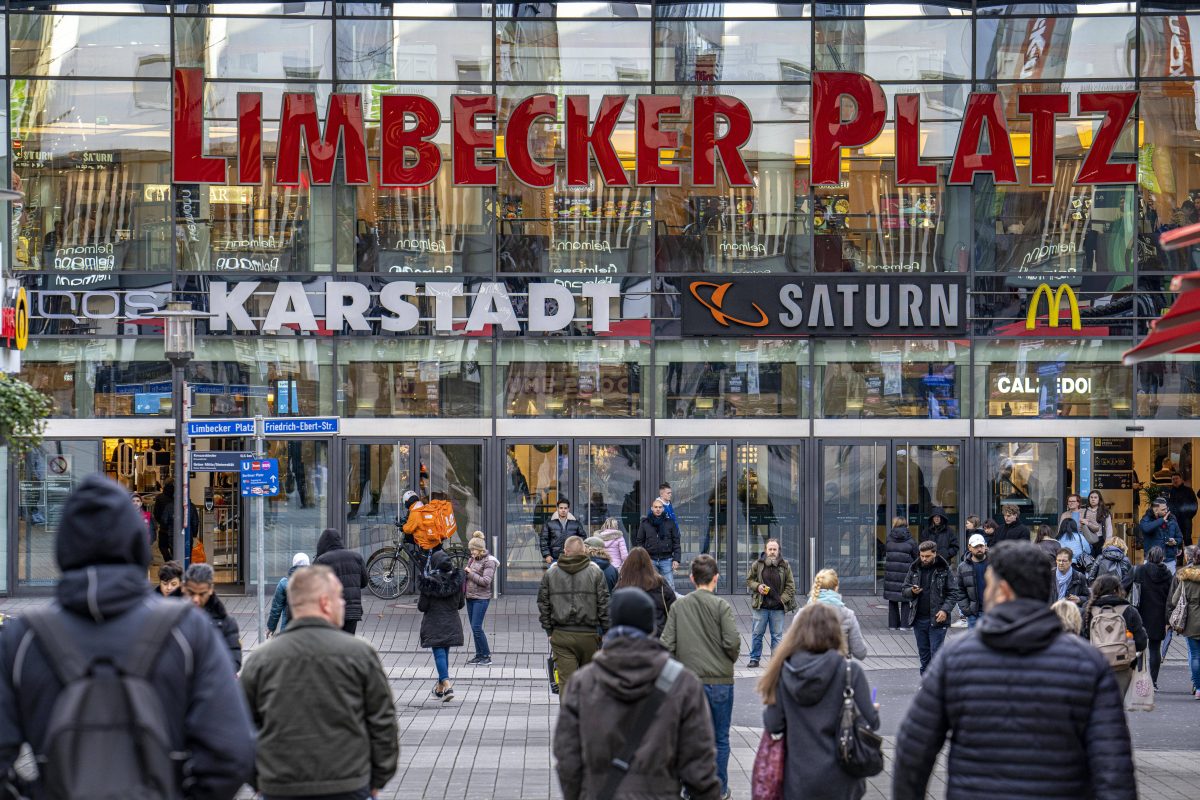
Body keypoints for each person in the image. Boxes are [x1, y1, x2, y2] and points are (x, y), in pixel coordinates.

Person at [0, 474, 255, 800]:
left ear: (63, 548)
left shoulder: (22, 640)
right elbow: (232, 752)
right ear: (137, 543)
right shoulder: (188, 631)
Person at [893, 540, 1136, 800]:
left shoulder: (957, 659)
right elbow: (1114, 768)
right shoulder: (1088, 664)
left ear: (1003, 591)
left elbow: (913, 752)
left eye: (989, 584)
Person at [241, 564, 399, 800]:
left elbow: (240, 729)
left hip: (281, 788)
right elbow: (382, 721)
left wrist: (260, 781)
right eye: (339, 598)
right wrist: (376, 779)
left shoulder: (261, 660)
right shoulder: (359, 654)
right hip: (349, 785)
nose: (343, 604)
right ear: (325, 603)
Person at [553, 588, 720, 800]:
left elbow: (567, 756)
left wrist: (581, 794)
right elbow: (699, 763)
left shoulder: (583, 682)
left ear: (611, 624)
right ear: (651, 626)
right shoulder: (683, 683)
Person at [758, 604, 880, 800]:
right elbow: (871, 723)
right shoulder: (850, 672)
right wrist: (871, 710)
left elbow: (773, 724)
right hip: (843, 779)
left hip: (797, 780)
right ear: (835, 632)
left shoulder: (784, 671)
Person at [661, 555, 739, 800]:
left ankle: (689, 788)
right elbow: (733, 643)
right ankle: (719, 787)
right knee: (720, 737)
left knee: (689, 738)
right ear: (716, 578)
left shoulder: (679, 607)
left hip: (688, 684)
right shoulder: (722, 607)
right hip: (720, 682)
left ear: (692, 578)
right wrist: (727, 660)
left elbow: (666, 646)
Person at [537, 536, 610, 699]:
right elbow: (604, 604)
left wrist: (549, 630)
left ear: (565, 550)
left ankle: (568, 720)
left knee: (566, 682)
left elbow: (543, 603)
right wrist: (605, 630)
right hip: (589, 634)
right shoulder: (596, 572)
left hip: (561, 633)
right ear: (584, 551)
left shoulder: (551, 573)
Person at [1084, 574, 1148, 699]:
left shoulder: (1088, 609)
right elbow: (1141, 642)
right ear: (1117, 590)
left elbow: (1082, 637)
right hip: (1122, 664)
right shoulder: (1129, 610)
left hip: (1094, 663)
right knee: (1117, 702)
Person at [417, 550, 465, 701]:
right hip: (451, 623)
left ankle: (448, 686)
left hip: (434, 624)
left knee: (439, 655)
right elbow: (460, 604)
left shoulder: (429, 583)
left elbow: (422, 606)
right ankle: (439, 689)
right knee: (444, 655)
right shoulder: (456, 582)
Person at [745, 538, 798, 668]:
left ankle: (775, 661)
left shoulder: (785, 565)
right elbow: (749, 580)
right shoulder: (758, 564)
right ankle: (754, 659)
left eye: (775, 549)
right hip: (761, 606)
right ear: (766, 550)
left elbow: (791, 586)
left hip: (778, 607)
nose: (772, 551)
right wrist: (758, 587)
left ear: (778, 550)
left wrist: (782, 599)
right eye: (770, 549)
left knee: (777, 636)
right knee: (757, 634)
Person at [902, 541, 953, 674]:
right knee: (924, 656)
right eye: (922, 555)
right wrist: (912, 591)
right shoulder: (914, 568)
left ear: (935, 554)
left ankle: (936, 686)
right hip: (919, 618)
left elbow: (953, 593)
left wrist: (945, 610)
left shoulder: (944, 569)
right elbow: (904, 590)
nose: (924, 558)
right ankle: (926, 685)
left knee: (936, 655)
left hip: (937, 619)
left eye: (928, 556)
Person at [183, 562, 242, 671]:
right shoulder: (169, 619)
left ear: (211, 589)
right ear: (184, 588)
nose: (196, 599)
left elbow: (234, 662)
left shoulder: (226, 623)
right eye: (191, 593)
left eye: (201, 594)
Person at [314, 528, 369, 635]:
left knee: (332, 644)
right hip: (353, 611)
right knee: (347, 644)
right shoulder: (356, 557)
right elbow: (364, 582)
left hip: (331, 611)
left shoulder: (322, 560)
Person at [1132, 546, 1173, 689]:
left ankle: (1138, 679)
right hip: (1159, 615)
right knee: (1155, 649)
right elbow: (1171, 597)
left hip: (1140, 613)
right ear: (1162, 558)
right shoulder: (1167, 574)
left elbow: (1131, 589)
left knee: (1138, 647)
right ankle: (1153, 681)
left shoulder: (1140, 570)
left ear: (1148, 556)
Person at [615, 546, 675, 637]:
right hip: (657, 635)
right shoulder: (660, 583)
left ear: (628, 564)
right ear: (648, 563)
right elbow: (672, 607)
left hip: (629, 637)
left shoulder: (621, 585)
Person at [810, 569, 868, 660]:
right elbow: (860, 652)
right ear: (836, 587)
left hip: (810, 670)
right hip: (839, 669)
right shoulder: (848, 615)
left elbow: (793, 649)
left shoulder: (802, 614)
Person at [1167, 545, 1200, 698]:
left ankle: (1198, 687)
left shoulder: (1185, 578)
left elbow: (1174, 600)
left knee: (1194, 655)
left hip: (1191, 620)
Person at [464, 533, 498, 666]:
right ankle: (479, 655)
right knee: (474, 628)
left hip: (481, 598)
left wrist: (470, 574)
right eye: (471, 549)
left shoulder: (489, 561)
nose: (471, 552)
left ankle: (486, 655)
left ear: (481, 549)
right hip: (470, 597)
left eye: (474, 549)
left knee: (476, 627)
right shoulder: (472, 560)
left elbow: (486, 581)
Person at [633, 497, 681, 588]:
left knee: (669, 586)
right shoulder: (645, 523)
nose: (658, 509)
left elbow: (676, 541)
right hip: (650, 560)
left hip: (667, 559)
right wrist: (643, 557)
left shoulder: (670, 523)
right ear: (652, 508)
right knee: (650, 586)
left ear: (663, 509)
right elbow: (639, 541)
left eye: (660, 507)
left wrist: (676, 559)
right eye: (656, 507)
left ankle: (670, 603)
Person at [884, 516, 919, 630]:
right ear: (906, 525)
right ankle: (905, 624)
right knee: (906, 598)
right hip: (905, 574)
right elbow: (916, 557)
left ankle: (892, 625)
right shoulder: (910, 540)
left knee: (892, 599)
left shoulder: (889, 538)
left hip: (891, 574)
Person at [152, 481, 198, 563]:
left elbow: (160, 517)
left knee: (169, 549)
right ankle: (185, 568)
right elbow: (195, 521)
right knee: (187, 553)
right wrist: (194, 533)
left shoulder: (166, 503)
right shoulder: (191, 506)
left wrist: (163, 526)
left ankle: (172, 563)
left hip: (169, 531)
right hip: (186, 533)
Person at [266, 552, 309, 637]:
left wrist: (271, 627)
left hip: (288, 628)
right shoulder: (316, 581)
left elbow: (276, 608)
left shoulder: (284, 582)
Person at [951, 534, 989, 629]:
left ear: (985, 546)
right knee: (974, 642)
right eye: (976, 546)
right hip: (974, 614)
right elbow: (959, 590)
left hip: (992, 612)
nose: (979, 549)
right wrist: (966, 609)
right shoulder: (963, 567)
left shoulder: (995, 562)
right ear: (969, 547)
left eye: (981, 546)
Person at [1139, 497, 1182, 572]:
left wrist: (1175, 541)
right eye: (1163, 509)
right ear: (1155, 510)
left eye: (1166, 508)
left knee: (1171, 583)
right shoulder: (1146, 519)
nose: (1166, 511)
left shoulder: (1172, 518)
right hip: (1152, 561)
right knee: (1150, 583)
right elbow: (1146, 529)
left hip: (1169, 560)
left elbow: (1179, 537)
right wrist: (1161, 520)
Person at [539, 499, 585, 564]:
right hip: (554, 558)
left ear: (568, 509)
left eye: (565, 508)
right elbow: (544, 540)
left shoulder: (576, 523)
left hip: (572, 557)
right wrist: (547, 555)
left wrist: (579, 553)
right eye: (561, 508)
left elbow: (583, 539)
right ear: (557, 508)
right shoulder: (549, 523)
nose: (563, 510)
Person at [1167, 471, 1198, 547]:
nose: (1175, 480)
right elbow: (1168, 505)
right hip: (1175, 520)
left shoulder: (1189, 490)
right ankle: (1179, 558)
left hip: (1186, 519)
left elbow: (1194, 504)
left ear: (1181, 479)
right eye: (1173, 479)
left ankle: (1190, 558)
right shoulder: (1170, 492)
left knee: (1187, 539)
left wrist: (1189, 515)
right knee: (1177, 540)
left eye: (1176, 478)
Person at [1084, 490, 1115, 554]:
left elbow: (1108, 527)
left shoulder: (1104, 512)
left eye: (1095, 497)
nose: (1093, 499)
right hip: (1087, 540)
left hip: (1100, 539)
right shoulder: (1084, 511)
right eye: (1091, 497)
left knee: (1100, 560)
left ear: (1099, 499)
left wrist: (1108, 542)